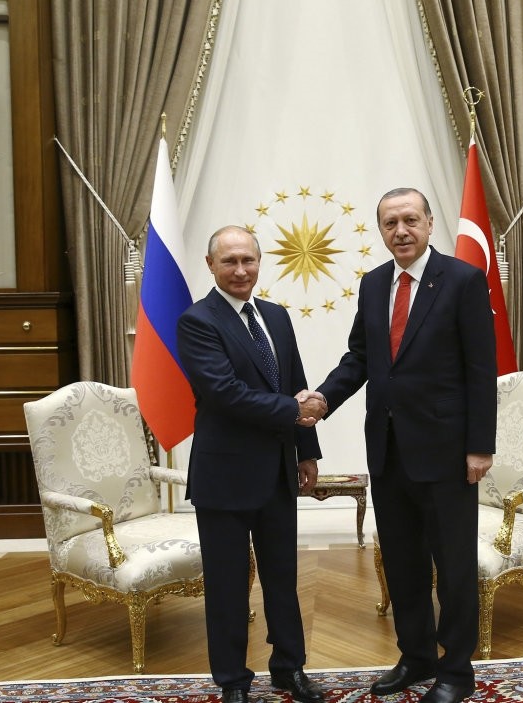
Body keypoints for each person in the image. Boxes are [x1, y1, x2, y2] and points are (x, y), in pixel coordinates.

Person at [311, 187, 497, 703]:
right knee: (403, 563)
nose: (401, 231)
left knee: (453, 566)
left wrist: (480, 446)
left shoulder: (462, 280)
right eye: (390, 223)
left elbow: (482, 371)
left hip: (448, 453)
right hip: (389, 451)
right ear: (381, 230)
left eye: (410, 220)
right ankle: (416, 657)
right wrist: (323, 399)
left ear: (430, 223)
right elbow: (359, 359)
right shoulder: (373, 285)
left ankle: (457, 671)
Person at [176, 225, 328, 703]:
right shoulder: (197, 322)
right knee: (226, 588)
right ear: (211, 265)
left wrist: (307, 450)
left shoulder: (277, 317)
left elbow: (297, 383)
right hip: (224, 477)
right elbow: (224, 394)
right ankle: (233, 681)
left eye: (248, 260)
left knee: (283, 578)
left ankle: (289, 668)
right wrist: (293, 412)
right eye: (229, 262)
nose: (240, 270)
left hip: (279, 472)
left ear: (260, 263)